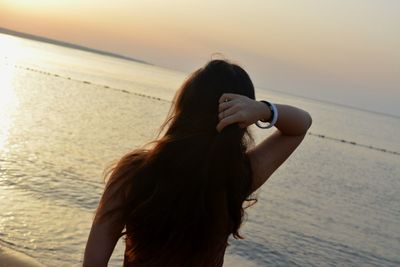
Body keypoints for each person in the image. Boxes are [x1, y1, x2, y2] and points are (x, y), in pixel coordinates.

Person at [83, 59, 312, 267]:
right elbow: (300, 126)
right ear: (242, 120)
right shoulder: (235, 178)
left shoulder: (134, 172)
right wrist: (264, 109)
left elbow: (94, 262)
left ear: (184, 108)